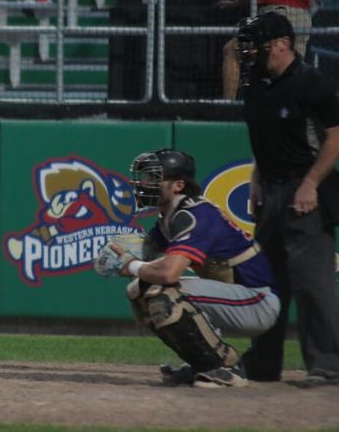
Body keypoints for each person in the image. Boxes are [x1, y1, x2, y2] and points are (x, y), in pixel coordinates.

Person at [98, 148, 280, 388]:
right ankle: (203, 364)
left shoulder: (195, 214)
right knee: (139, 291)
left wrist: (131, 265)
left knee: (163, 292)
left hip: (257, 301)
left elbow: (168, 273)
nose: (145, 185)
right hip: (235, 298)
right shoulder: (170, 218)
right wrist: (124, 251)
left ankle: (225, 368)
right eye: (145, 178)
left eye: (154, 179)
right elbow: (151, 253)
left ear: (178, 185)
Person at [236, 10, 339, 387]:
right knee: (266, 280)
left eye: (258, 45)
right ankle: (263, 363)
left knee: (312, 281)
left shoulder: (312, 83)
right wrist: (256, 176)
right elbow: (265, 138)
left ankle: (327, 364)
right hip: (271, 188)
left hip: (306, 186)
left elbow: (336, 136)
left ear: (282, 44)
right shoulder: (257, 86)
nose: (250, 53)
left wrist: (311, 183)